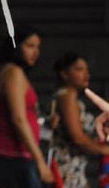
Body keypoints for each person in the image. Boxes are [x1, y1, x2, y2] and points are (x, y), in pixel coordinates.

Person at [0, 25, 54, 187]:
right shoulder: (13, 73)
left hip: (14, 155)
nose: (35, 52)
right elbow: (19, 119)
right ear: (16, 46)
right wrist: (40, 161)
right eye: (29, 46)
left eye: (38, 47)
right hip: (10, 156)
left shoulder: (10, 72)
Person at [48, 52, 109, 187]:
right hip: (66, 167)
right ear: (65, 74)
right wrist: (105, 150)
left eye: (87, 70)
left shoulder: (72, 98)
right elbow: (78, 138)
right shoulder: (66, 97)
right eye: (80, 69)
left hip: (76, 166)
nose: (86, 74)